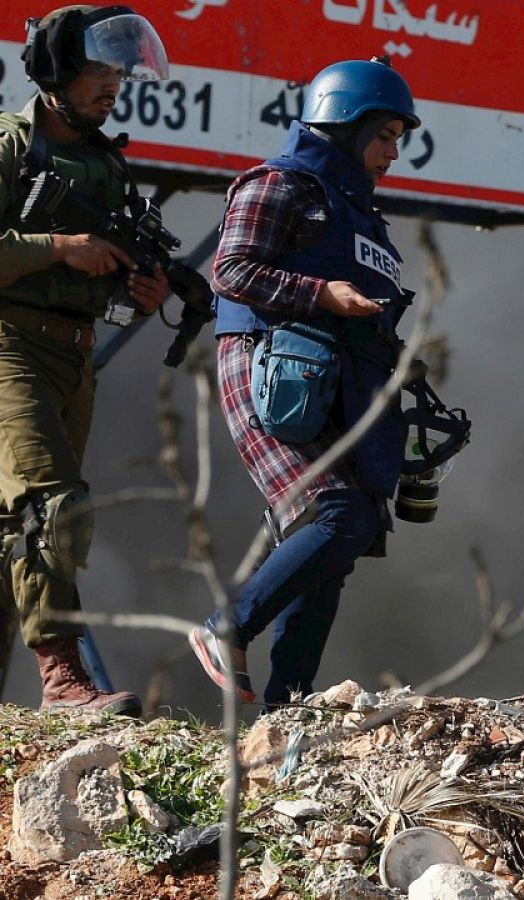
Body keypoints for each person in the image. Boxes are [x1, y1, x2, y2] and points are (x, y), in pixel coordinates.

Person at [187, 57, 421, 708]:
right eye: (384, 136)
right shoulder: (280, 185)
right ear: (343, 124)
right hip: (272, 375)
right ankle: (224, 629)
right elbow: (230, 270)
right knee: (333, 515)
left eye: (398, 140)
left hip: (340, 389)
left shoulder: (366, 223)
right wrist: (320, 293)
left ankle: (286, 712)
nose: (392, 155)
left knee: (338, 542)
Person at [0, 4, 174, 716]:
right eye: (99, 70)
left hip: (74, 353)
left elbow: (111, 285)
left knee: (14, 530)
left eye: (119, 73)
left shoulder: (104, 164)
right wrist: (59, 248)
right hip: (8, 344)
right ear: (58, 70)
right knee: (51, 506)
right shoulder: (9, 146)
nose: (113, 85)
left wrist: (142, 291)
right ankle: (64, 684)